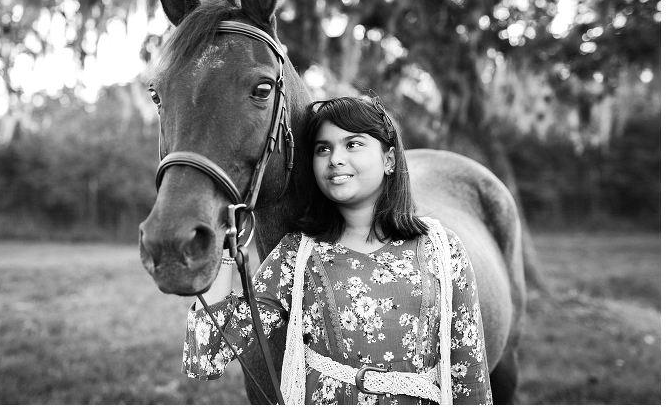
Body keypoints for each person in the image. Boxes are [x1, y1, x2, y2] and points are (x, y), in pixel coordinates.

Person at [182, 96, 492, 405]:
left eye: (353, 144)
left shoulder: (442, 248)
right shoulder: (297, 255)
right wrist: (224, 242)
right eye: (323, 148)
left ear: (390, 159)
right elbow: (207, 355)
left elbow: (469, 374)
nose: (335, 159)